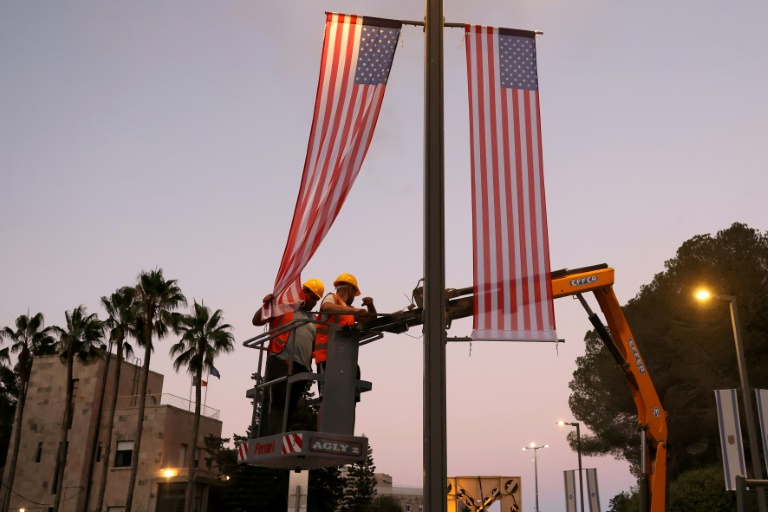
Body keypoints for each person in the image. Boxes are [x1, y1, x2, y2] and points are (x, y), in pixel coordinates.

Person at [252, 278, 324, 436]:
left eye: (317, 300)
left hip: (302, 365)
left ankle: (283, 432)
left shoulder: (315, 320)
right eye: (313, 298)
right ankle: (276, 436)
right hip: (280, 358)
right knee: (279, 400)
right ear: (303, 293)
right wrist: (266, 304)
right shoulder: (283, 308)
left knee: (291, 404)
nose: (315, 303)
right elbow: (257, 320)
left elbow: (318, 343)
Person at [314, 273, 376, 407]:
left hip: (347, 359)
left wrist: (370, 306)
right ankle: (325, 428)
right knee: (327, 401)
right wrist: (355, 312)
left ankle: (345, 428)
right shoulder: (332, 298)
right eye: (355, 293)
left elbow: (371, 320)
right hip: (327, 358)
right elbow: (326, 307)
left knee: (349, 402)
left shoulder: (350, 310)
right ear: (351, 290)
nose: (354, 297)